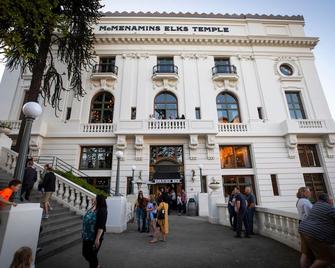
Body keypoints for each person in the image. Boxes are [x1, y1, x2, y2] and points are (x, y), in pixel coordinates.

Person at [298, 193, 335, 268]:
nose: (333, 201)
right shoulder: (329, 208)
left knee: (306, 254)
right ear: (328, 200)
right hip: (314, 233)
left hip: (303, 228)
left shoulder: (316, 205)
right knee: (327, 258)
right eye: (332, 199)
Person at [82, 195, 108, 268]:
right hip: (86, 235)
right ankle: (97, 265)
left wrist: (97, 239)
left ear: (99, 200)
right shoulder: (93, 207)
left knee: (92, 255)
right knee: (85, 253)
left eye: (95, 198)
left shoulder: (102, 210)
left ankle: (96, 266)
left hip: (94, 236)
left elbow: (101, 225)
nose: (94, 199)